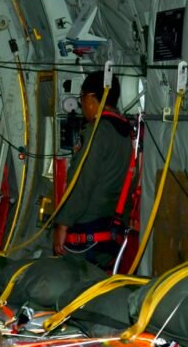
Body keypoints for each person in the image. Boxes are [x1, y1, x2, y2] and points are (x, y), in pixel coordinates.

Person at [52, 70, 134, 269]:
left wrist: (63, 223)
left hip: (86, 234)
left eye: (81, 100)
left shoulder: (96, 132)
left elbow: (82, 182)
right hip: (112, 231)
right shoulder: (127, 133)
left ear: (90, 98)